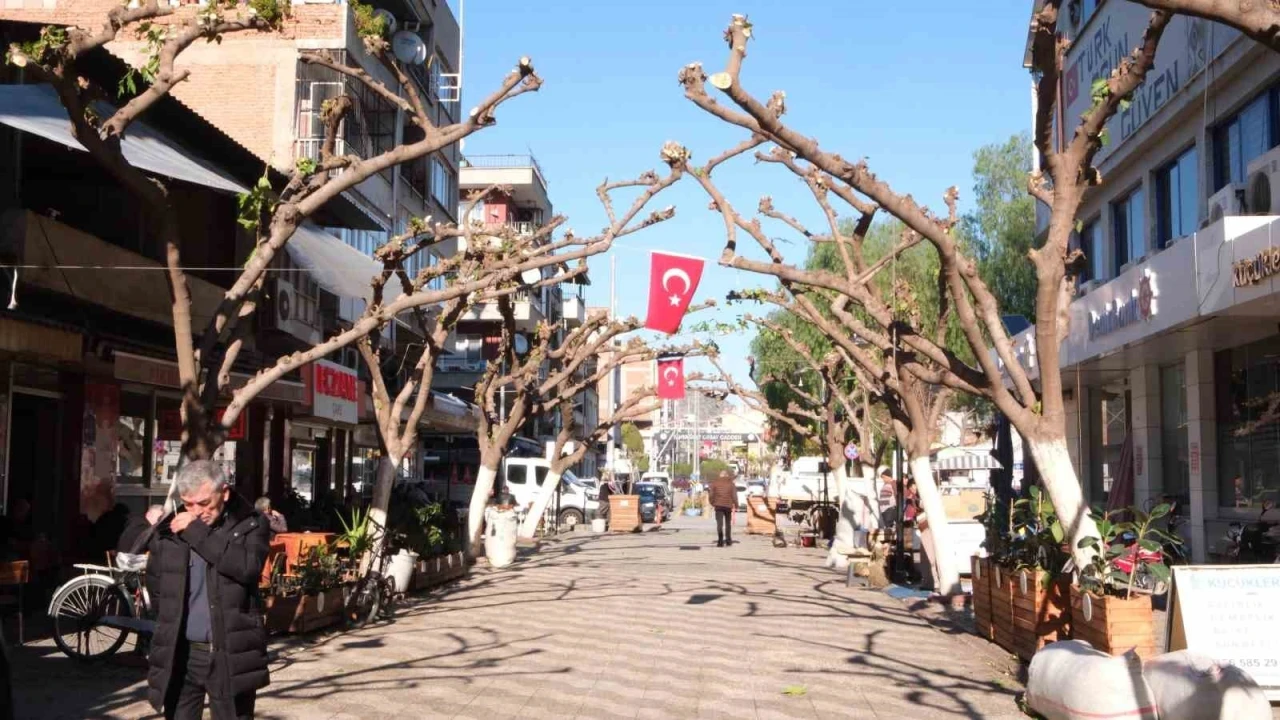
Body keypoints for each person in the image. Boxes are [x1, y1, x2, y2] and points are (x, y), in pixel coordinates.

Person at [146, 461, 270, 719]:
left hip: (229, 653)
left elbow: (247, 568)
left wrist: (195, 531)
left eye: (204, 503)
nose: (195, 512)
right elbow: (158, 589)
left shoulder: (249, 524)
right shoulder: (169, 532)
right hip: (182, 655)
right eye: (188, 504)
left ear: (224, 492)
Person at [708, 469, 738, 547]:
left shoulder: (715, 483)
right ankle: (728, 540)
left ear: (720, 475)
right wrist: (736, 505)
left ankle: (720, 541)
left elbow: (711, 495)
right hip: (728, 506)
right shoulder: (731, 484)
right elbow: (734, 496)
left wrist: (712, 503)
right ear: (727, 475)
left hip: (718, 506)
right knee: (728, 524)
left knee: (719, 524)